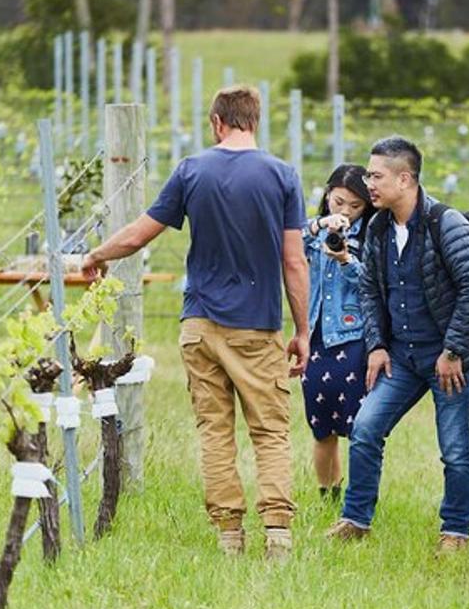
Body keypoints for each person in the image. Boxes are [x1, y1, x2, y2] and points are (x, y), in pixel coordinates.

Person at [81, 85, 309, 561]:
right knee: (269, 431)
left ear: (216, 122)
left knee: (215, 430)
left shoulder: (191, 171)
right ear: (254, 122)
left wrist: (97, 254)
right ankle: (278, 535)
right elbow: (294, 262)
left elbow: (140, 233)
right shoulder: (282, 176)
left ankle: (229, 536)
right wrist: (302, 330)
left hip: (200, 324)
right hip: (257, 326)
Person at [326, 135, 469, 552]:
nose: (369, 183)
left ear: (405, 179)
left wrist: (454, 350)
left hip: (449, 357)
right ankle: (356, 519)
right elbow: (369, 288)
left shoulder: (446, 223)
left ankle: (455, 532)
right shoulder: (380, 227)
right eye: (369, 174)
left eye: (377, 175)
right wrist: (377, 345)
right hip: (401, 355)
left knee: (454, 447)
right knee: (365, 429)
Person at [302, 164, 375, 500]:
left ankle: (358, 499)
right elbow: (286, 247)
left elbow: (370, 288)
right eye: (339, 202)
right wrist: (319, 225)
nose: (345, 211)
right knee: (321, 424)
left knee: (359, 425)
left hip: (353, 338)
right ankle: (327, 496)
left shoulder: (373, 236)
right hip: (317, 336)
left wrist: (346, 259)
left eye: (355, 206)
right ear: (328, 194)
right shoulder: (314, 232)